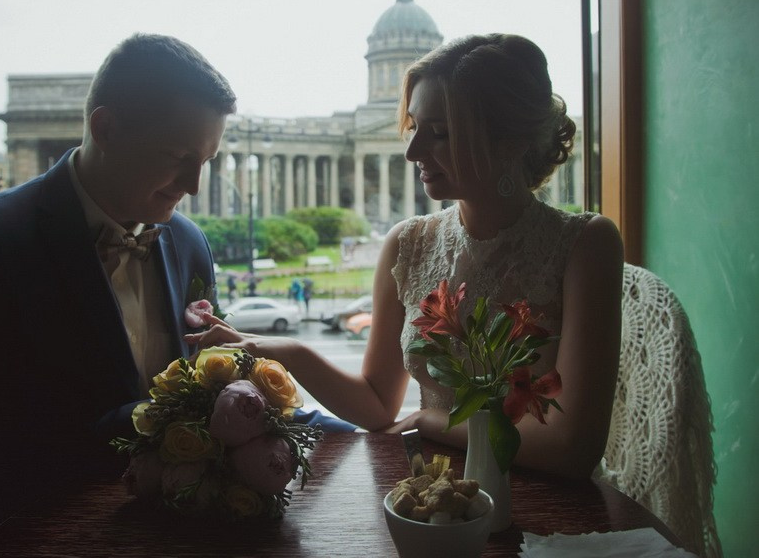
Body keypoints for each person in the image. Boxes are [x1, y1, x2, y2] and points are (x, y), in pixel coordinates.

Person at [189, 34, 623, 480]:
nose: (413, 151)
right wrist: (287, 352)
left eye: (440, 133)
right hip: (430, 491)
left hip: (547, 502)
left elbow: (572, 447)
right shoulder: (408, 243)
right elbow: (378, 405)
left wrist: (428, 421)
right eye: (414, 126)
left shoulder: (585, 244)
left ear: (509, 141)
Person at [0, 33, 236, 557]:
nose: (195, 186)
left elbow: (207, 383)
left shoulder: (188, 240)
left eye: (206, 161)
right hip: (26, 529)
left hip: (169, 526)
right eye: (179, 156)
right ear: (104, 128)